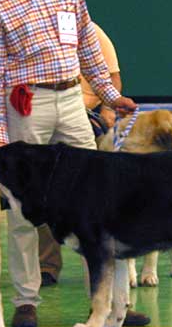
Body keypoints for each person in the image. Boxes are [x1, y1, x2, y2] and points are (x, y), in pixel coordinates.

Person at [0, 0, 148, 327]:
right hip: (26, 107)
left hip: (73, 99)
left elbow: (87, 42)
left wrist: (109, 96)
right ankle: (25, 301)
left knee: (99, 201)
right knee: (21, 213)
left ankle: (108, 305)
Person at [38, 22, 122, 286]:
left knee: (93, 200)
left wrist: (108, 113)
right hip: (40, 115)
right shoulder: (34, 26)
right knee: (42, 197)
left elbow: (112, 76)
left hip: (86, 117)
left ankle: (103, 281)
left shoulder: (93, 32)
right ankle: (47, 265)